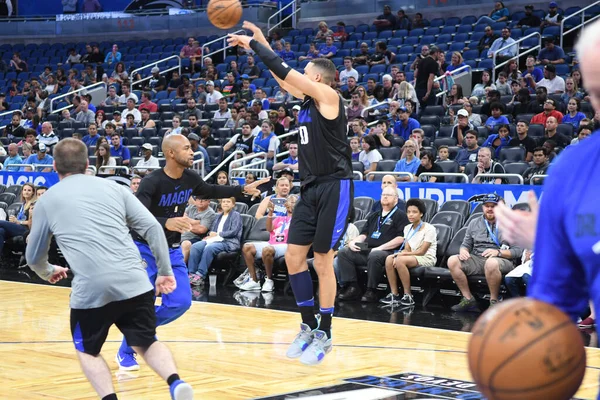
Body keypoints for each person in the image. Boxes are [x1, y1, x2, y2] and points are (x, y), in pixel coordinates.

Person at [25, 138, 195, 400]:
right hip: (135, 281)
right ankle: (175, 382)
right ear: (88, 163)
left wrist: (48, 271)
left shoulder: (47, 201)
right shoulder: (115, 189)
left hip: (92, 289)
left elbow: (34, 256)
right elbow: (152, 228)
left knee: (88, 350)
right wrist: (164, 270)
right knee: (147, 341)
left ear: (55, 166)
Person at [228, 21, 354, 365]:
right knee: (296, 258)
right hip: (310, 188)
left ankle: (325, 331)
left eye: (306, 72)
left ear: (316, 78)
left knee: (323, 260)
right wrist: (262, 40)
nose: (299, 74)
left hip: (335, 186)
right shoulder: (307, 101)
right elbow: (283, 77)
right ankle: (307, 325)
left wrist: (253, 45)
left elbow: (283, 69)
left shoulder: (330, 97)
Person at [115, 134, 268, 370]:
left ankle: (136, 328)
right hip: (145, 250)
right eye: (186, 148)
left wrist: (241, 189)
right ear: (171, 153)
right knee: (142, 305)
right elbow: (133, 217)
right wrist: (166, 221)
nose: (192, 152)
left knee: (180, 303)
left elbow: (210, 189)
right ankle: (129, 346)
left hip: (173, 250)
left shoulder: (190, 177)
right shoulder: (151, 182)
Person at [448, 193, 523, 311]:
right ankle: (468, 299)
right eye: (486, 206)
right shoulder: (474, 222)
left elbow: (518, 251)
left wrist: (498, 252)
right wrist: (463, 251)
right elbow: (466, 244)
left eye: (493, 206)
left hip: (503, 260)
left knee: (491, 263)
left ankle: (494, 301)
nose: (489, 209)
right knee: (452, 261)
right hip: (478, 258)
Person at [381, 198, 437, 306]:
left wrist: (402, 255)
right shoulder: (407, 228)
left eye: (414, 212)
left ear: (421, 214)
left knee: (400, 260)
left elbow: (422, 251)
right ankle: (394, 294)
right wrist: (401, 254)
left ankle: (408, 295)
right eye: (409, 212)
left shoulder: (430, 229)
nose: (411, 215)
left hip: (426, 257)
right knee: (389, 259)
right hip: (411, 256)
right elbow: (407, 248)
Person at [239, 195, 299, 291]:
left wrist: (296, 212)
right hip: (272, 242)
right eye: (289, 201)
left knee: (268, 250)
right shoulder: (280, 218)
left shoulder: (299, 219)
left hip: (287, 245)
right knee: (247, 247)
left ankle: (269, 280)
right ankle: (254, 280)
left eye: (293, 202)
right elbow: (269, 228)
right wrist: (270, 212)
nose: (290, 204)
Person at [187, 197, 243, 286]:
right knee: (195, 246)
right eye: (224, 202)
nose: (225, 203)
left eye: (228, 202)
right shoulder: (218, 216)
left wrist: (218, 234)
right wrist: (209, 235)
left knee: (210, 248)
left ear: (233, 205)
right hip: (215, 240)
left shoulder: (236, 215)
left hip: (228, 241)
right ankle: (191, 274)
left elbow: (234, 231)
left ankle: (200, 275)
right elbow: (212, 230)